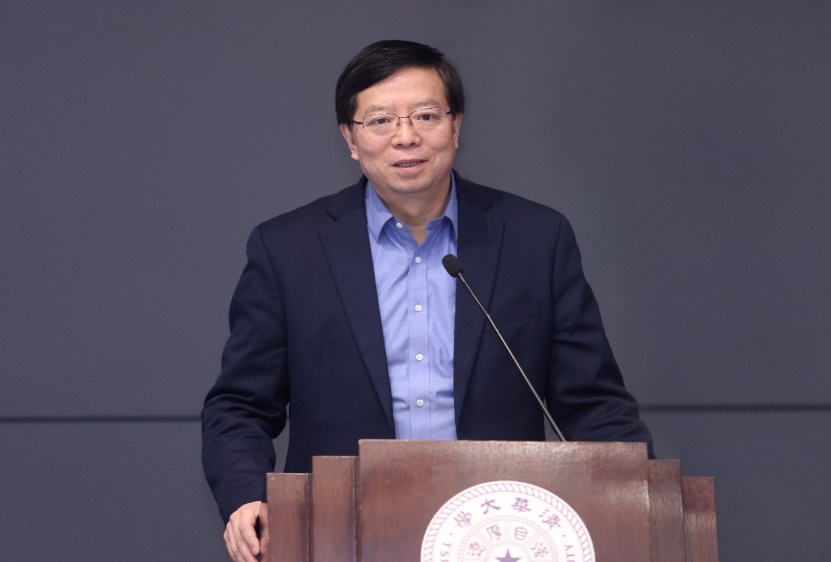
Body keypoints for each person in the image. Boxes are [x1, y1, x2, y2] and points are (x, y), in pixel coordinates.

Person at [201, 39, 653, 562]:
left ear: (455, 127)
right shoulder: (289, 249)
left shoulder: (534, 238)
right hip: (341, 530)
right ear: (350, 138)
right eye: (380, 121)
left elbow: (592, 402)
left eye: (426, 116)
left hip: (499, 530)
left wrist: (643, 496)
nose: (406, 137)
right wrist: (246, 495)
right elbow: (240, 405)